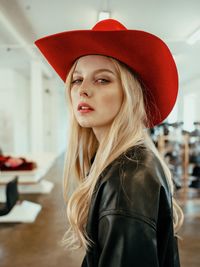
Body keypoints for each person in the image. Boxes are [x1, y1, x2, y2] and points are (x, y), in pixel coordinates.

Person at [35, 19, 184, 267]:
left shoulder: (127, 181)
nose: (82, 90)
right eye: (77, 79)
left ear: (130, 94)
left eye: (102, 80)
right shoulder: (119, 161)